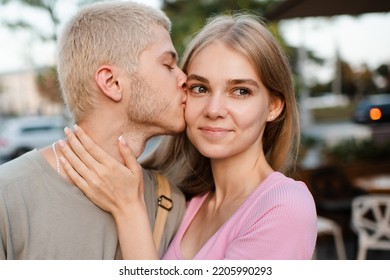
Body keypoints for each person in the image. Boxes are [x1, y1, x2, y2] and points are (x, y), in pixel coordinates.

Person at [59, 13, 317, 260]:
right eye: (200, 88)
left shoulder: (284, 206)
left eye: (240, 91)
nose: (214, 110)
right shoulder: (186, 202)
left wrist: (128, 209)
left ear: (274, 106)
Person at [0, 1, 187, 260]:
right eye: (168, 65)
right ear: (111, 82)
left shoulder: (170, 202)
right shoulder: (7, 195)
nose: (184, 78)